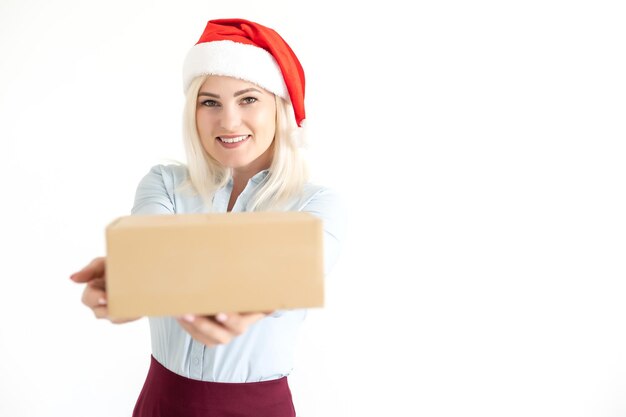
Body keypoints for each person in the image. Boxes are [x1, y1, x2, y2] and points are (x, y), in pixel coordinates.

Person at [69, 18, 345, 417]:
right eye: (209, 102)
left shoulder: (317, 204)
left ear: (279, 108)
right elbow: (151, 243)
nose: (228, 121)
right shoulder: (164, 183)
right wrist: (127, 280)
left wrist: (252, 299)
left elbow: (301, 266)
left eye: (248, 99)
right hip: (163, 402)